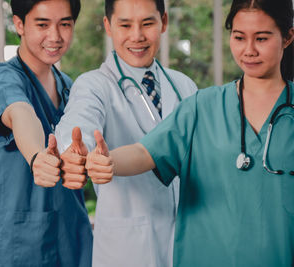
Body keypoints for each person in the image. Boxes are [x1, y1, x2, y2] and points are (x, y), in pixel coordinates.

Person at [86, 0, 294, 265]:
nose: (249, 50)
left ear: (287, 37)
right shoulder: (201, 106)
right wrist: (109, 161)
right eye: (239, 37)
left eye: (262, 38)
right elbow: (144, 152)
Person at [55, 0, 197, 266]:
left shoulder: (183, 86)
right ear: (108, 26)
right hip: (127, 251)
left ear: (163, 22)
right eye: (125, 24)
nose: (137, 36)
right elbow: (79, 120)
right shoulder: (95, 85)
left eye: (147, 23)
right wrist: (75, 152)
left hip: (184, 245)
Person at [0, 0, 92, 266]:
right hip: (13, 249)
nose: (55, 36)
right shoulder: (1, 80)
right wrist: (37, 156)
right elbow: (22, 115)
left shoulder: (68, 87)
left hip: (69, 242)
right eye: (43, 24)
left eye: (65, 24)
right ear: (19, 24)